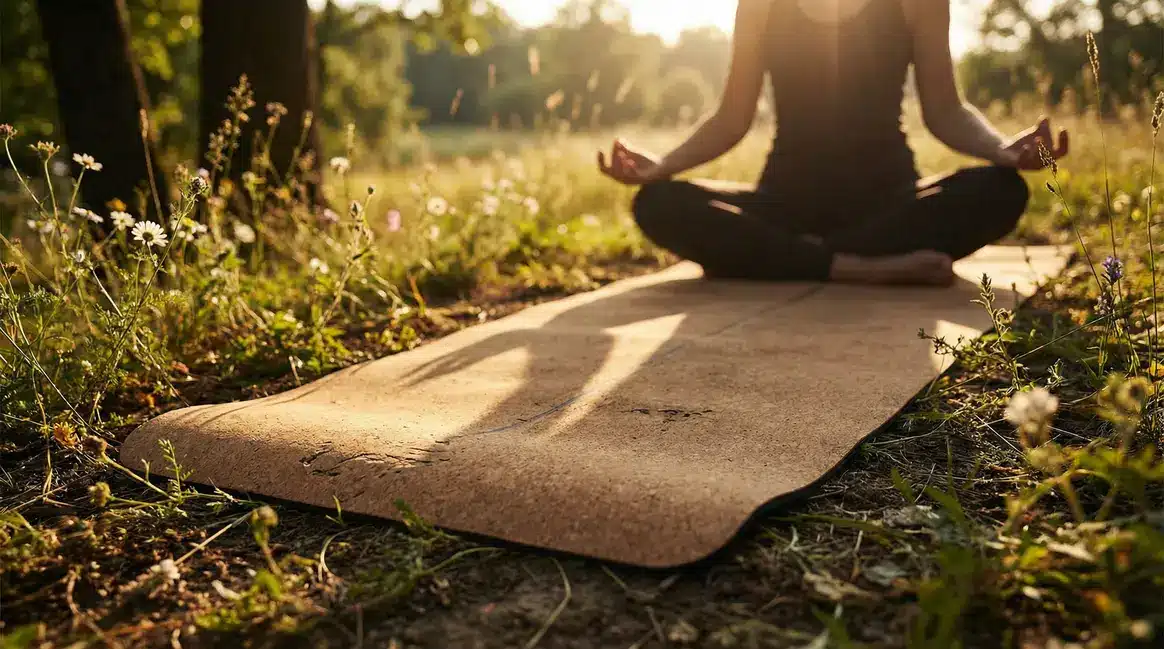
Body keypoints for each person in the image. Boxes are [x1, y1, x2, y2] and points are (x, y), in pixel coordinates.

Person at [598, 0, 1070, 286]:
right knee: (658, 202)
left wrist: (1003, 152)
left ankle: (788, 257)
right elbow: (730, 119)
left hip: (890, 206)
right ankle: (857, 266)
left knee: (1004, 189)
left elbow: (946, 111)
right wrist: (660, 167)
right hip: (786, 200)